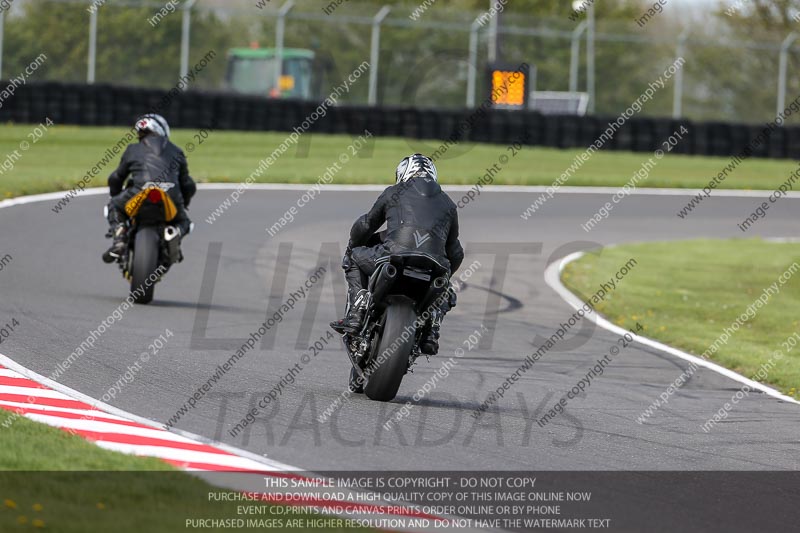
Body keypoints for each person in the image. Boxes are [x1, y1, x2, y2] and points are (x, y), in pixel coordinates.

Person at [330, 153, 464, 355]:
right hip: (434, 265)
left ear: (402, 173)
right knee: (446, 288)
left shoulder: (393, 192)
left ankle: (357, 313)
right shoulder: (448, 204)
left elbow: (366, 225)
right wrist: (446, 275)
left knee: (354, 257)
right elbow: (455, 252)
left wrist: (353, 245)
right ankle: (431, 329)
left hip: (394, 255)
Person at [102, 114, 196, 263]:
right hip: (170, 195)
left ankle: (120, 238)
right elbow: (188, 184)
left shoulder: (132, 149)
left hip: (139, 192)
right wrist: (185, 203)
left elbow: (115, 178)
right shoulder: (177, 151)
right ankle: (174, 232)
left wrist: (114, 195)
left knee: (114, 206)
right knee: (185, 222)